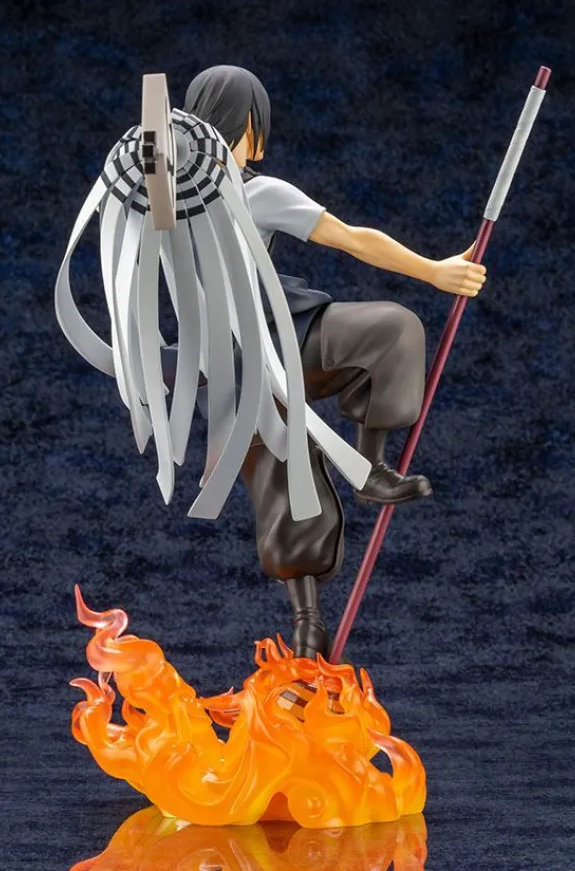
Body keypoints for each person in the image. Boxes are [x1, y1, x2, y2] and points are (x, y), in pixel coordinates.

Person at [182, 66, 486, 659]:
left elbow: (351, 237)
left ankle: (371, 469)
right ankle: (308, 626)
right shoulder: (169, 203)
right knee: (284, 478)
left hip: (288, 337)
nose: (252, 141)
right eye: (248, 126)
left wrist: (434, 271)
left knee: (391, 330)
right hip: (235, 372)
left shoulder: (258, 193)